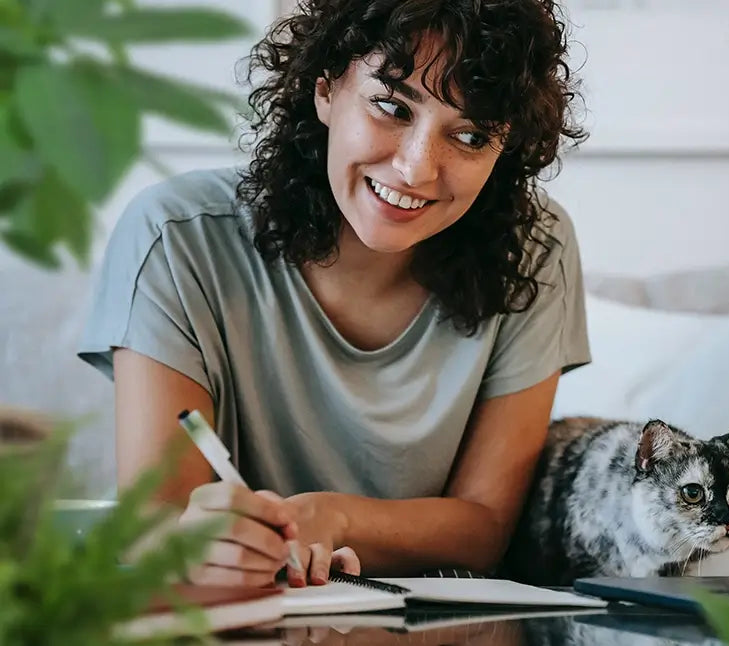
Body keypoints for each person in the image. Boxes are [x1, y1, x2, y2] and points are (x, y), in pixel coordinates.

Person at [77, 0, 590, 588]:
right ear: (325, 89)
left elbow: (484, 527)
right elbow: (158, 523)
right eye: (391, 106)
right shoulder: (174, 239)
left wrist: (335, 517)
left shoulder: (535, 248)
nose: (417, 168)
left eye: (471, 135)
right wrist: (197, 542)